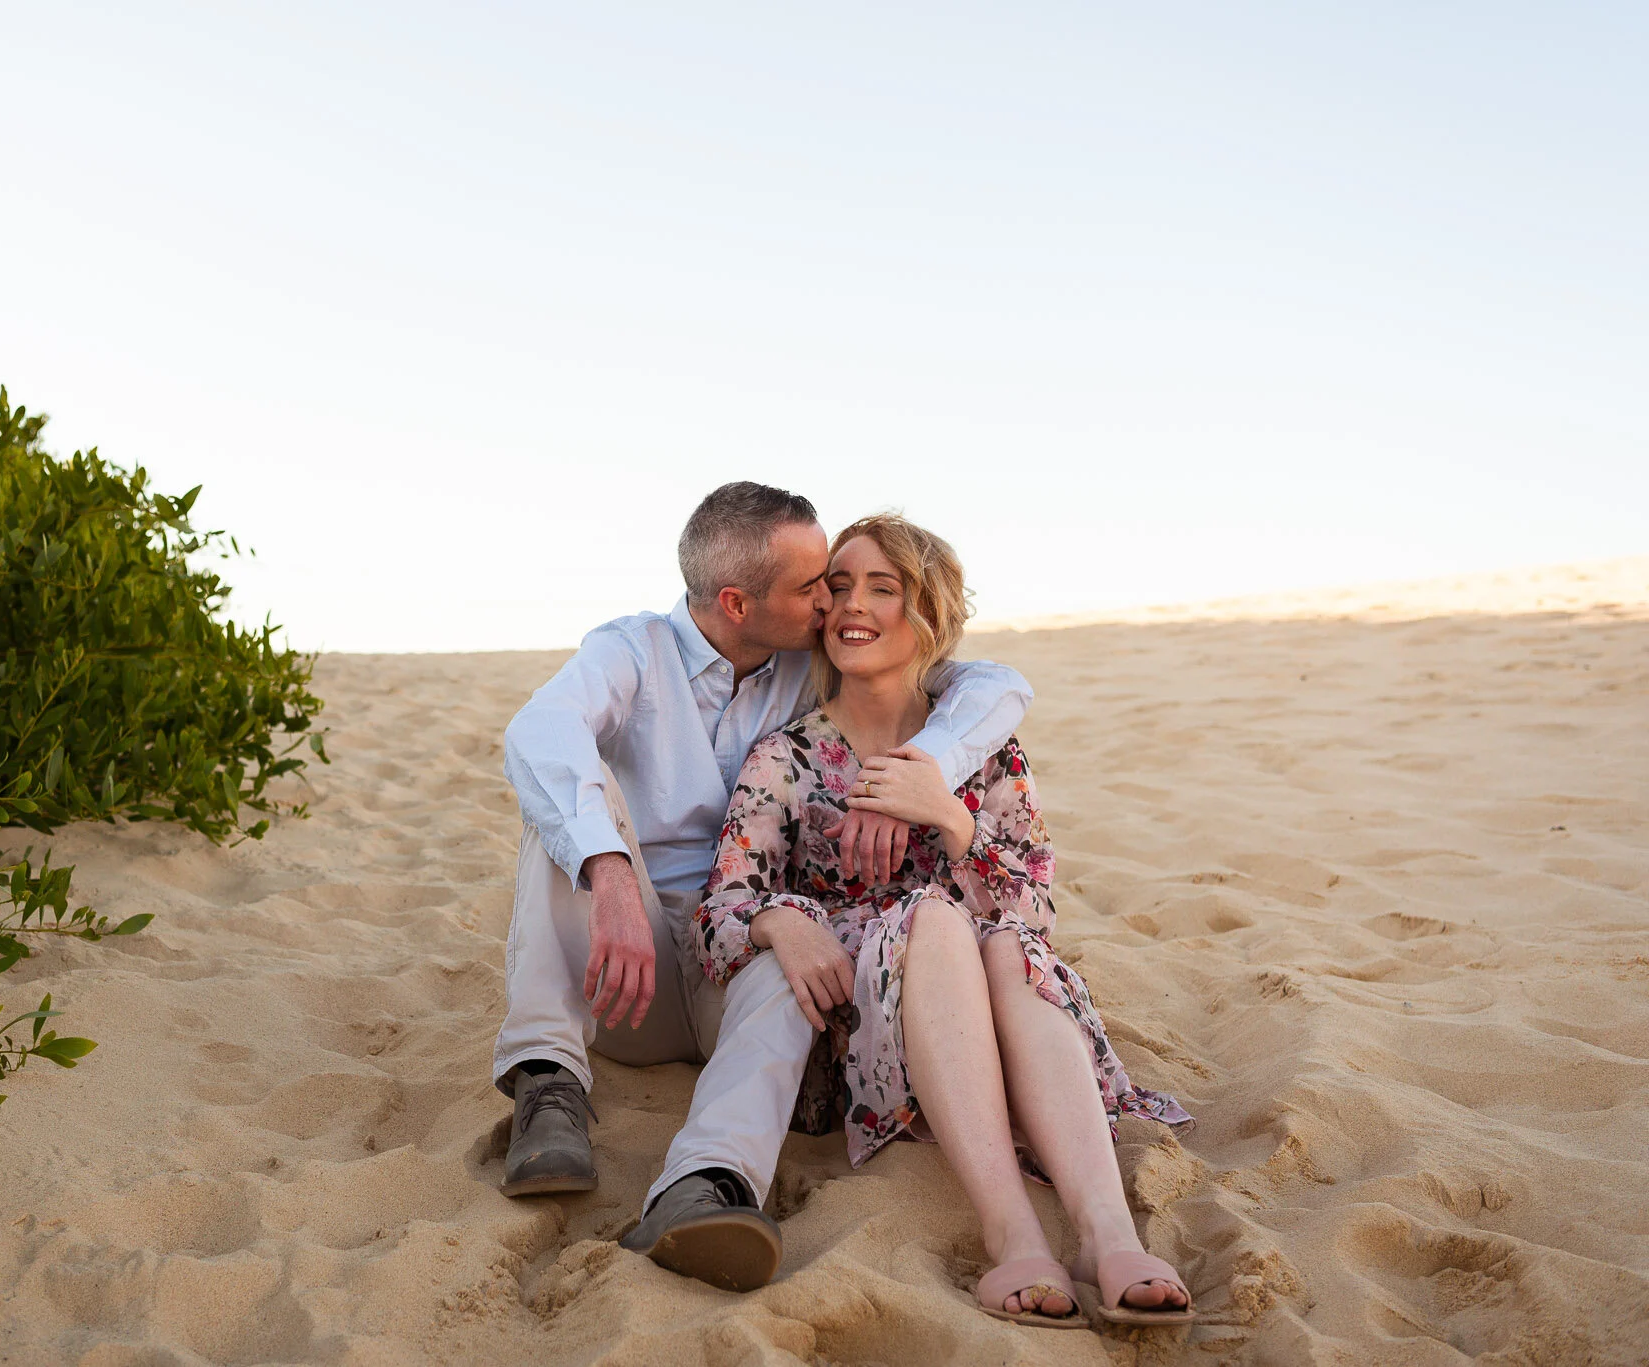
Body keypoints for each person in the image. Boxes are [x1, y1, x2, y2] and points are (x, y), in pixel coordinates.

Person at [497, 483, 1034, 1292]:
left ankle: (704, 1184)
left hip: (732, 960)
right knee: (566, 800)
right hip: (624, 966)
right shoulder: (631, 652)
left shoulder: (806, 665)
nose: (829, 602)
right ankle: (547, 1080)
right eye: (813, 586)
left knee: (797, 949)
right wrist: (607, 871)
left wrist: (918, 771)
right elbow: (537, 729)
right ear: (736, 602)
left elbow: (993, 684)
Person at [693, 513, 1197, 1328]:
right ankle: (1015, 1237)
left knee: (1005, 947)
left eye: (883, 588)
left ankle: (1108, 1233)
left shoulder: (981, 746)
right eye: (842, 586)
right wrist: (784, 920)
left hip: (994, 1024)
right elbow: (720, 911)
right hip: (864, 1038)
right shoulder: (785, 757)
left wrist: (948, 818)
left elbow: (1035, 909)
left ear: (928, 613)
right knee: (935, 919)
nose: (854, 605)